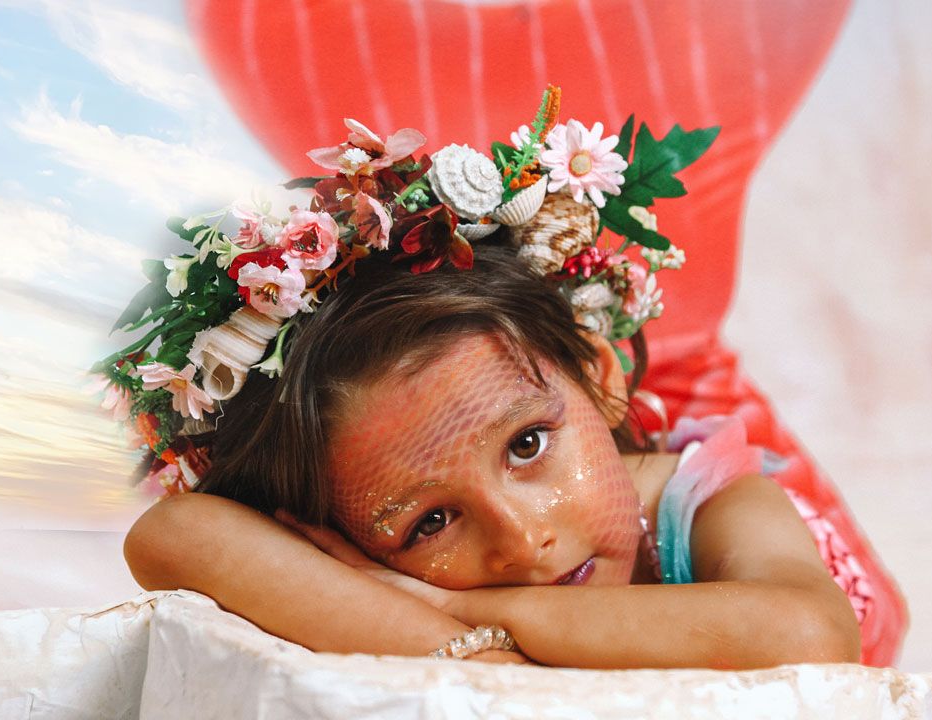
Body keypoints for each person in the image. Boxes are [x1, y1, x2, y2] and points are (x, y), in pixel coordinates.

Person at [107, 89, 864, 669]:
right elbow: (176, 534)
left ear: (600, 380)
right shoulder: (379, 532)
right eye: (428, 524)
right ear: (346, 545)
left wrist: (446, 609)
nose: (523, 541)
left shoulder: (705, 501)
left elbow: (809, 634)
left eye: (529, 443)